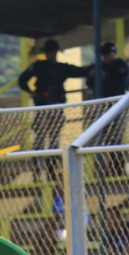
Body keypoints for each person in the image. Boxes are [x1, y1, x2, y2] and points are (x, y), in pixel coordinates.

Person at [17, 39, 88, 179]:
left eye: (54, 51)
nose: (52, 54)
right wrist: (32, 93)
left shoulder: (60, 68)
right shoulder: (38, 66)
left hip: (56, 108)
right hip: (43, 107)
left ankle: (51, 171)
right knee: (40, 139)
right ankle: (36, 172)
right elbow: (22, 80)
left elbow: (79, 71)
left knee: (54, 139)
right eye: (50, 52)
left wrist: (94, 69)